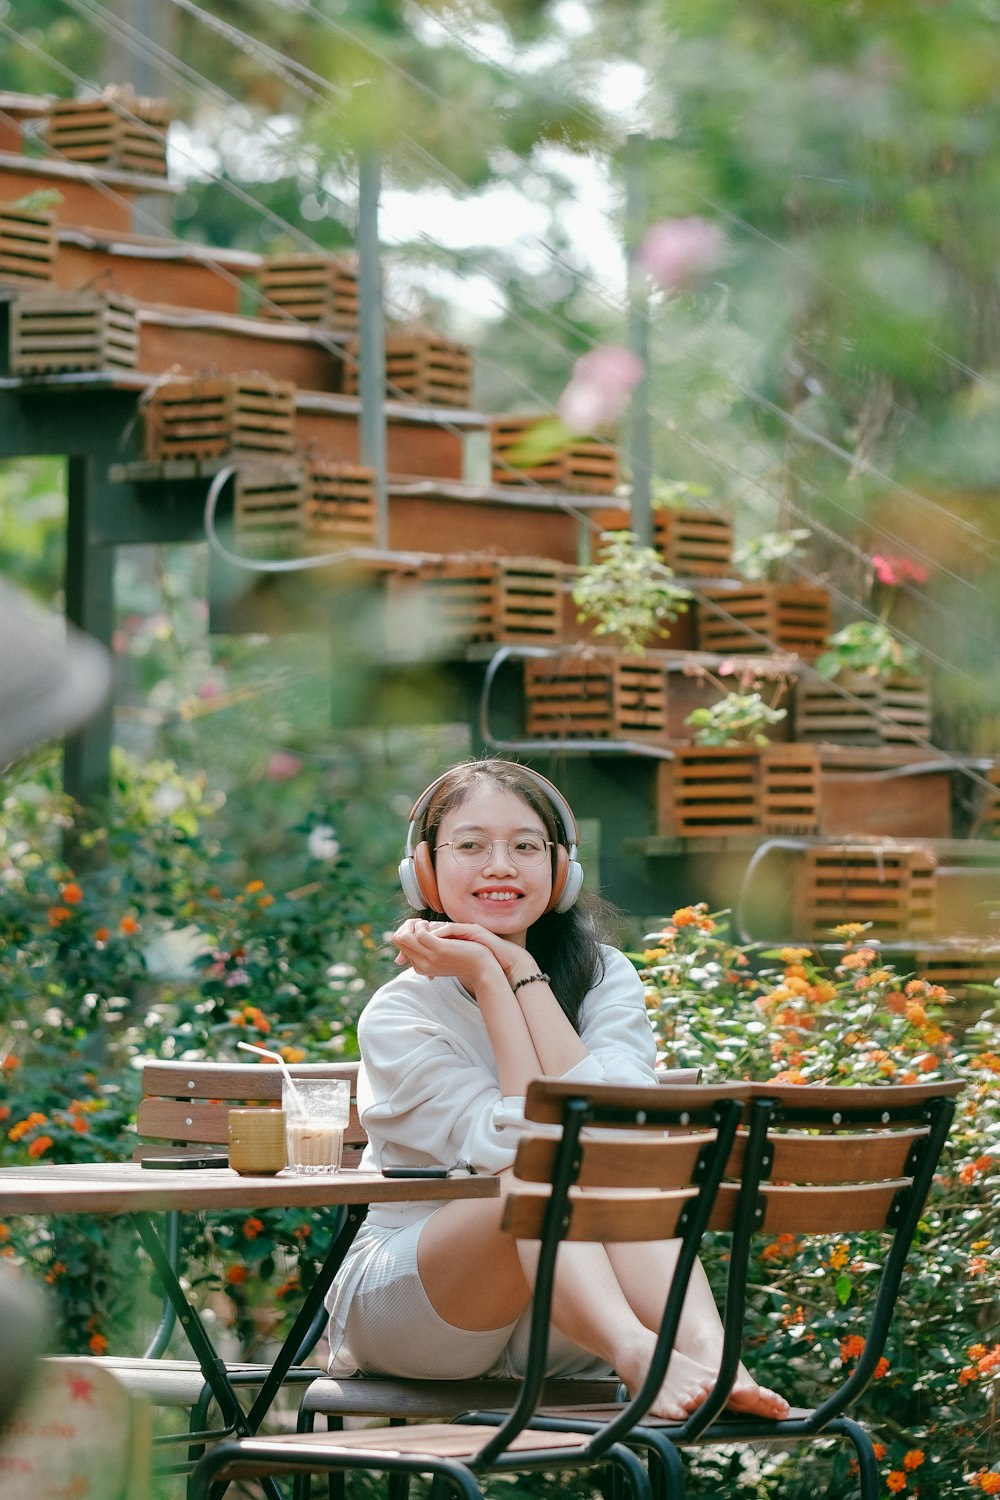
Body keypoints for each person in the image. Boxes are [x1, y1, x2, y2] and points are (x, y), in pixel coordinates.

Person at [325, 757, 788, 1421]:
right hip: (421, 1306)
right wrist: (490, 983)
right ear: (423, 871)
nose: (500, 866)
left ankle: (713, 1356)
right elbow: (519, 1149)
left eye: (524, 846)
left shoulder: (604, 976)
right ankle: (639, 1354)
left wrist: (516, 971)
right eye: (470, 845)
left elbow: (618, 1131)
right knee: (534, 1171)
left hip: (569, 1315)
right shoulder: (401, 1013)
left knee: (615, 1168)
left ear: (560, 869)